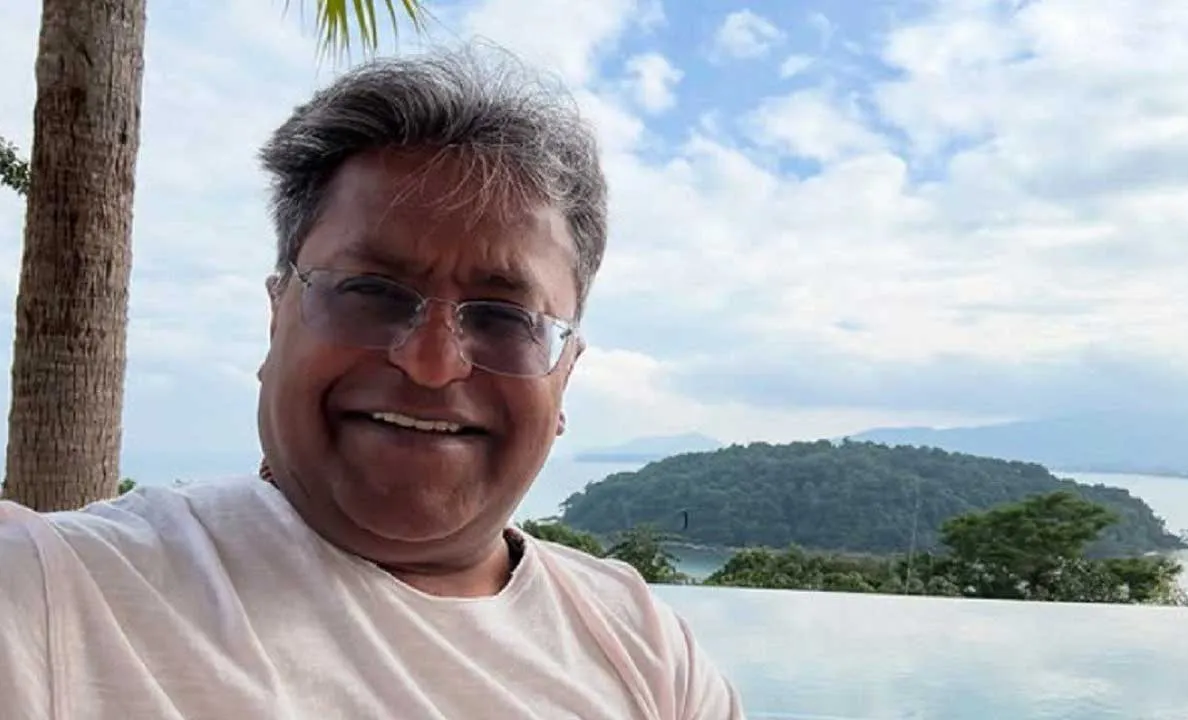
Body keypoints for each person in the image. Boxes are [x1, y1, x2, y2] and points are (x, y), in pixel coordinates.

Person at [0, 46, 744, 719]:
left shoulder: (648, 654)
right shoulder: (55, 599)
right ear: (276, 319)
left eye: (502, 317)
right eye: (369, 293)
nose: (431, 363)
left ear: (565, 373)